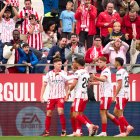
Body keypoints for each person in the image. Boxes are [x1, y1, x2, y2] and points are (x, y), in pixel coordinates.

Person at [67, 58, 98, 136]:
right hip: (85, 96)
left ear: (77, 64)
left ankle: (89, 125)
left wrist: (68, 91)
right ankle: (78, 131)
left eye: (74, 62)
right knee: (80, 114)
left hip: (79, 95)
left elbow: (73, 84)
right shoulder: (86, 73)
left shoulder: (78, 72)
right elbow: (87, 84)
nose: (73, 63)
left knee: (75, 114)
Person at [91, 56, 120, 136]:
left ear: (105, 63)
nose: (99, 64)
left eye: (100, 62)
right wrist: (92, 83)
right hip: (105, 95)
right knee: (106, 113)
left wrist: (94, 77)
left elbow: (103, 79)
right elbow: (102, 82)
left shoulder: (106, 70)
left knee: (102, 112)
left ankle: (104, 132)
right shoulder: (103, 71)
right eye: (98, 62)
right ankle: (120, 126)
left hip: (106, 95)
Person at [40, 58, 68, 136]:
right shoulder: (49, 74)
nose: (60, 65)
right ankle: (47, 132)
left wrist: (67, 94)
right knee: (48, 113)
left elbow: (66, 84)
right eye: (58, 64)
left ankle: (63, 131)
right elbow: (44, 85)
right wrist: (41, 96)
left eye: (61, 64)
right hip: (51, 96)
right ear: (54, 64)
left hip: (60, 96)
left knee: (60, 111)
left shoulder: (64, 73)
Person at [113, 57, 134, 137]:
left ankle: (122, 132)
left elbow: (120, 85)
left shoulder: (119, 72)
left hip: (122, 95)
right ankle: (128, 126)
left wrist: (114, 95)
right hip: (125, 94)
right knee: (115, 111)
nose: (114, 63)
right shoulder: (124, 71)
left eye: (115, 62)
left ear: (117, 62)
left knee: (120, 114)